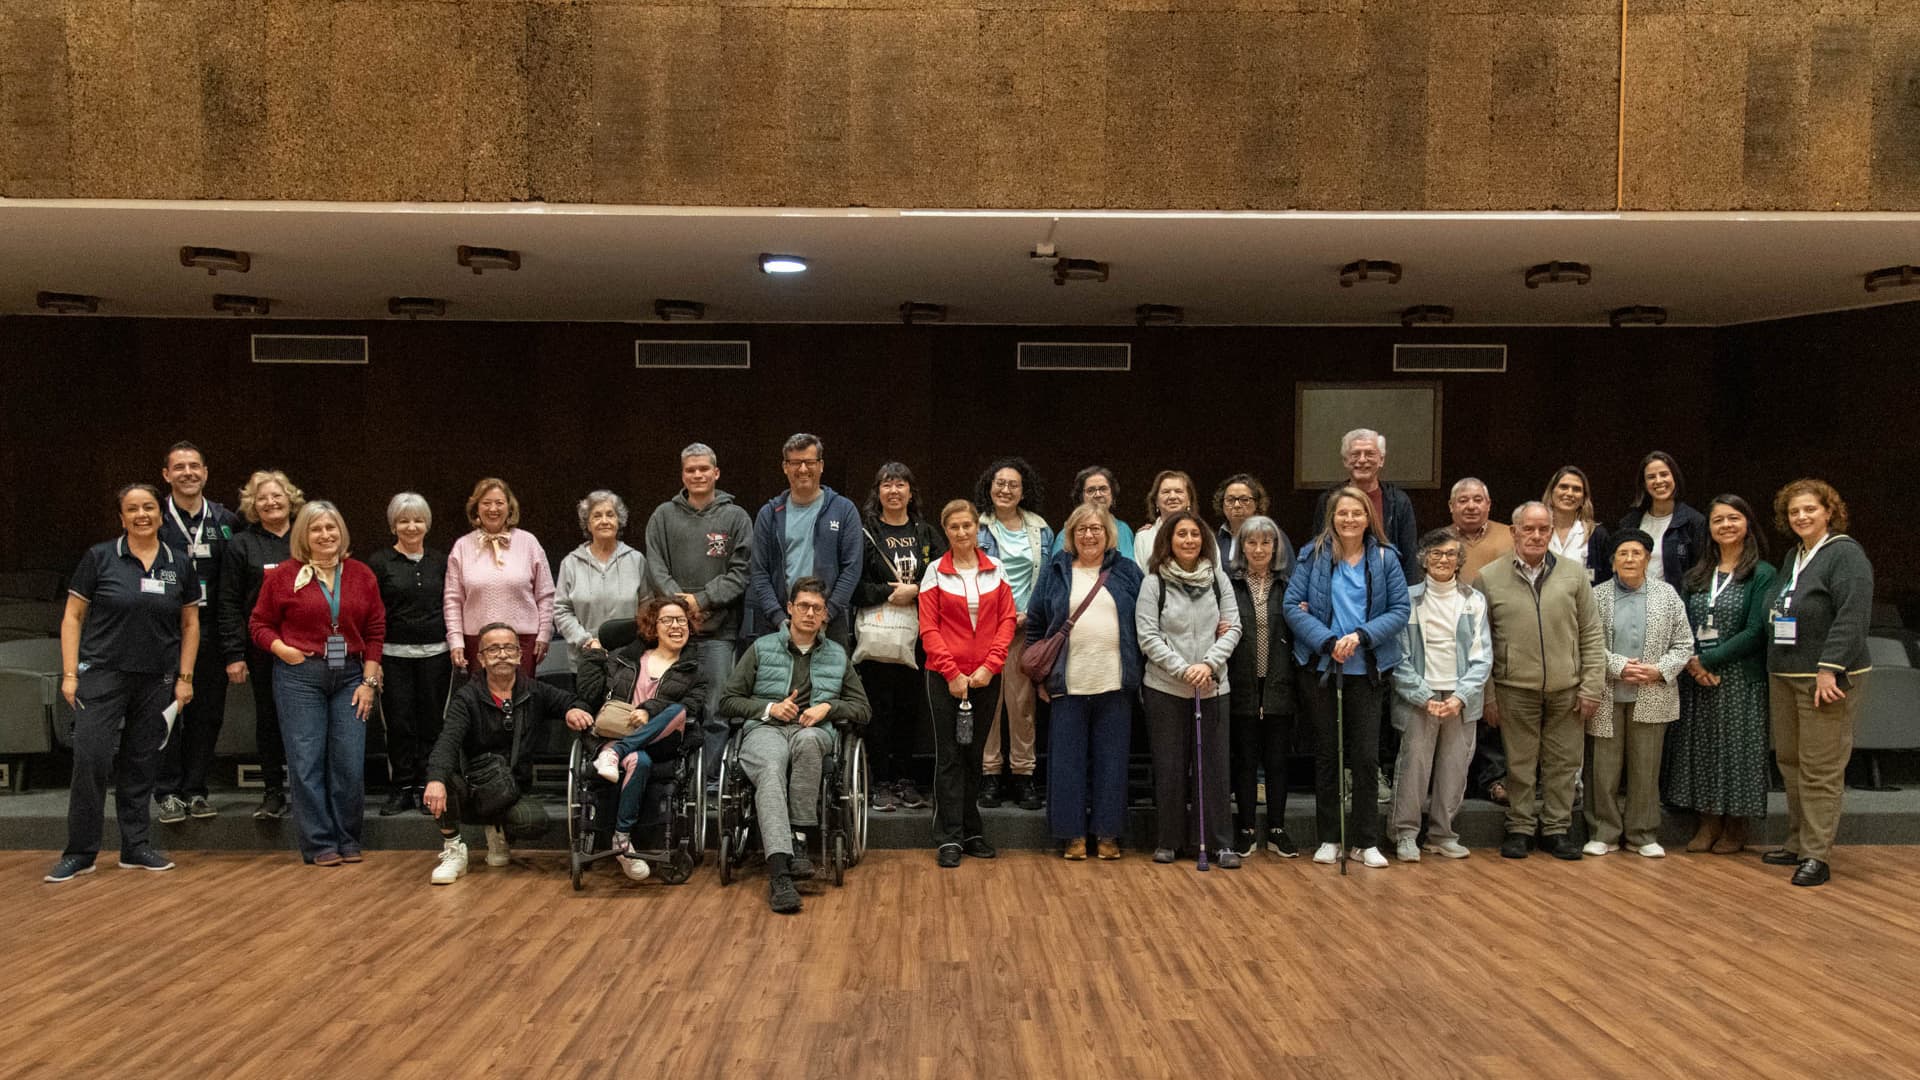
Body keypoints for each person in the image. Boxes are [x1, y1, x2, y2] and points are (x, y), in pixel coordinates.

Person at [45, 484, 199, 883]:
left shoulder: (179, 563)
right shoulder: (99, 557)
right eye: (132, 509)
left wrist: (184, 678)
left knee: (142, 763)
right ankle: (80, 853)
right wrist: (70, 673)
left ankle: (136, 847)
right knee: (91, 759)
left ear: (160, 514)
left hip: (158, 679)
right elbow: (72, 617)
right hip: (102, 675)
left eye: (149, 507)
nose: (141, 514)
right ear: (122, 518)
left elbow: (190, 624)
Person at [722, 577, 873, 913]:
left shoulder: (837, 655)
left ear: (825, 615)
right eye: (803, 606)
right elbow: (728, 701)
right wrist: (769, 708)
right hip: (766, 729)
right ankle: (779, 873)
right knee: (771, 766)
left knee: (807, 742)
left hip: (812, 730)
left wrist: (828, 707)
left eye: (817, 608)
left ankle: (799, 840)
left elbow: (863, 709)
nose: (809, 613)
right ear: (790, 609)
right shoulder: (761, 648)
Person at [248, 502, 385, 866]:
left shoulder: (361, 575)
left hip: (351, 676)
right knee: (306, 761)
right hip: (300, 676)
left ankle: (348, 838)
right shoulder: (283, 575)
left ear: (342, 532)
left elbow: (375, 631)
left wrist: (369, 681)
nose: (325, 535)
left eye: (331, 528)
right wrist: (283, 650)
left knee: (349, 762)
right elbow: (259, 625)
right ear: (303, 536)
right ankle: (319, 843)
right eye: (316, 529)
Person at [1284, 488, 1411, 870]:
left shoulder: (1386, 558)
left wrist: (1361, 636)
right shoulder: (1312, 555)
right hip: (1323, 667)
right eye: (1342, 513)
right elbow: (1292, 606)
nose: (1350, 519)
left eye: (1357, 513)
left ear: (1369, 517)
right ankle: (1329, 838)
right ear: (1332, 517)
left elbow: (1399, 609)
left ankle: (1365, 841)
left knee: (1366, 757)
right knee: (1328, 755)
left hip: (1367, 669)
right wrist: (1327, 641)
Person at [1478, 502, 1607, 860]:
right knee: (1519, 763)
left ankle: (1556, 829)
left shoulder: (1574, 574)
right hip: (1513, 688)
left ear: (1551, 532)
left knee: (1563, 763)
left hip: (1567, 687)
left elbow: (1591, 634)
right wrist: (1488, 695)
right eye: (1528, 529)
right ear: (1514, 532)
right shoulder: (1489, 577)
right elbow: (1481, 643)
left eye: (1543, 529)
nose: (1536, 536)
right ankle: (1520, 827)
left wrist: (1591, 686)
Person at [1763, 479, 1874, 888]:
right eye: (1794, 511)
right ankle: (1797, 842)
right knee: (1790, 762)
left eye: (1810, 509)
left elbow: (1853, 615)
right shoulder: (1795, 555)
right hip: (1786, 673)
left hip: (1825, 677)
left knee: (1820, 768)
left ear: (1829, 511)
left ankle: (1816, 855)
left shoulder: (1845, 554)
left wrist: (1830, 667)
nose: (1801, 516)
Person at [422, 623, 594, 885]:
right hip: (472, 786)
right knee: (441, 780)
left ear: (519, 655)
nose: (502, 654)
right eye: (493, 649)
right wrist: (435, 779)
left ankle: (497, 832)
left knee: (533, 822)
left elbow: (575, 702)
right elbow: (447, 742)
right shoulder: (466, 697)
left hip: (512, 787)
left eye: (508, 648)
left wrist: (573, 710)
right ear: (481, 658)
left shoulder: (535, 690)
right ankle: (454, 849)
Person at [1029, 504, 1143, 861]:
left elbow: (1146, 620)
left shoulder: (1128, 571)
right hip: (1067, 683)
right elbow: (1036, 623)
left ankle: (1108, 834)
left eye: (1096, 529)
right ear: (1071, 535)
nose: (1089, 535)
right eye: (1081, 529)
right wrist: (1040, 678)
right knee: (1067, 764)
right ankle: (1072, 835)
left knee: (1113, 763)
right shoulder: (1056, 570)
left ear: (1108, 534)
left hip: (1115, 684)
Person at [1667, 495, 1776, 854]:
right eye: (1718, 520)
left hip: (1739, 678)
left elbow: (1756, 630)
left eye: (1733, 518)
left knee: (1737, 752)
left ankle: (1735, 825)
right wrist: (1693, 662)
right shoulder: (1697, 575)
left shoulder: (1762, 574)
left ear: (1747, 524)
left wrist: (1709, 661)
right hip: (1698, 678)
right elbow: (1681, 623)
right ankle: (1708, 821)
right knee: (1700, 751)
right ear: (1709, 529)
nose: (1726, 525)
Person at [1139, 509, 1243, 868]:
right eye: (1181, 534)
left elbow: (1233, 627)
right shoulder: (1154, 582)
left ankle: (1219, 843)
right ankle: (1168, 840)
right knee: (1170, 767)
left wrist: (1208, 664)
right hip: (1166, 687)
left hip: (1212, 686)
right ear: (1168, 540)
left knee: (1213, 768)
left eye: (1195, 534)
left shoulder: (1218, 579)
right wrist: (1184, 670)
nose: (1189, 540)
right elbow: (1148, 636)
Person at [1581, 530, 1695, 859]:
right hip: (1606, 693)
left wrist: (1659, 669)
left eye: (1637, 553)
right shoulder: (1597, 595)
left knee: (1646, 768)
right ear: (1613, 561)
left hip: (1652, 692)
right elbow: (1585, 641)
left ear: (1647, 558)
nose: (1630, 559)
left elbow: (1684, 644)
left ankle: (1642, 834)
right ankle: (1603, 832)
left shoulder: (1667, 595)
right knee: (1603, 770)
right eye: (1623, 554)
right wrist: (1617, 665)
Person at [577, 596, 707, 882]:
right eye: (667, 620)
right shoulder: (625, 659)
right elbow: (590, 694)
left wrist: (649, 710)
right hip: (619, 732)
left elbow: (693, 707)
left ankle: (616, 753)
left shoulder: (693, 671)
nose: (676, 626)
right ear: (653, 627)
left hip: (661, 741)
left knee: (678, 710)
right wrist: (594, 656)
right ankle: (622, 841)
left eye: (681, 621)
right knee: (638, 761)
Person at [644, 442, 754, 777]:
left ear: (716, 472)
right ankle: (671, 776)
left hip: (719, 633)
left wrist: (702, 600)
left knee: (716, 711)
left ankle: (708, 781)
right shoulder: (663, 516)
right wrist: (681, 606)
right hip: (673, 634)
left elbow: (741, 573)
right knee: (668, 706)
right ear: (683, 475)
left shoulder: (736, 517)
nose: (697, 475)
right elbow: (655, 567)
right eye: (691, 470)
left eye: (704, 468)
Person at [919, 501, 1019, 870]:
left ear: (978, 528)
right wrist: (952, 673)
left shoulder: (997, 570)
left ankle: (972, 830)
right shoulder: (935, 572)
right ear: (945, 531)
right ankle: (949, 835)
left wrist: (990, 667)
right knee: (949, 757)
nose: (962, 533)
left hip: (985, 678)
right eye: (954, 527)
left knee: (974, 756)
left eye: (967, 526)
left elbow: (1007, 621)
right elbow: (929, 628)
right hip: (944, 678)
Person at [1388, 530, 1490, 862]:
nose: (1443, 560)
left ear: (1459, 561)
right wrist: (1422, 695)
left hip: (1460, 699)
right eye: (1436, 554)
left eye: (1450, 554)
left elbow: (1483, 657)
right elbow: (1398, 657)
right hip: (1420, 696)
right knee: (1413, 768)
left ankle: (1442, 834)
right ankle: (1405, 834)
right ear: (1424, 559)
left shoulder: (1474, 600)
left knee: (1454, 768)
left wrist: (1460, 696)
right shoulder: (1406, 599)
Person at [152, 442, 239, 825]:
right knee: (166, 712)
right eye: (179, 467)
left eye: (194, 466)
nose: (187, 473)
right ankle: (167, 792)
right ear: (166, 475)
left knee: (207, 715)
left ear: (205, 472)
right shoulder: (154, 517)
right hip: (164, 632)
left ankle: (196, 789)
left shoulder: (226, 520)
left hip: (212, 632)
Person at [851, 462, 941, 813]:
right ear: (878, 492)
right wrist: (890, 592)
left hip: (917, 636)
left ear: (911, 492)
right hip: (877, 635)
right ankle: (880, 781)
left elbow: (943, 578)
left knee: (909, 710)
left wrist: (916, 591)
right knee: (879, 710)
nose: (893, 490)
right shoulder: (864, 532)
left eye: (900, 484)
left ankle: (905, 779)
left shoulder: (925, 533)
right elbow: (854, 586)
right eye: (887, 484)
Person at [216, 469, 304, 821]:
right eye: (262, 498)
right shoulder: (241, 544)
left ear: (290, 499)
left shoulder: (306, 537)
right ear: (253, 505)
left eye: (277, 495)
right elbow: (228, 602)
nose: (270, 502)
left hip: (307, 647)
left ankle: (308, 792)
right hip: (263, 648)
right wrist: (234, 654)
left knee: (307, 721)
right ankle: (273, 792)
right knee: (269, 718)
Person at [974, 457, 1053, 811]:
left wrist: (1030, 613)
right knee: (989, 703)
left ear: (1023, 491)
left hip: (1026, 627)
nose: (1005, 489)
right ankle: (990, 774)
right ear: (989, 487)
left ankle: (1023, 775)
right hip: (986, 628)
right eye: (1000, 483)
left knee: (1022, 705)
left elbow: (1047, 579)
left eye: (1013, 485)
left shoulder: (1040, 529)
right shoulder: (976, 526)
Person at [365, 492, 452, 817]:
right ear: (393, 526)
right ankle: (401, 788)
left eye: (417, 520)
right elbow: (372, 614)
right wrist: (374, 660)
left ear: (427, 524)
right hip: (393, 656)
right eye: (403, 521)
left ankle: (429, 786)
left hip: (436, 654)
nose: (411, 526)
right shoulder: (379, 563)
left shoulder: (441, 561)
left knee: (432, 723)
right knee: (399, 723)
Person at [1226, 514, 1300, 859]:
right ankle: (1245, 829)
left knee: (1277, 761)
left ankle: (1277, 828)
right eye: (1251, 542)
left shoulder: (1289, 585)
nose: (1258, 549)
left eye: (1265, 542)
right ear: (1241, 547)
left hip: (1279, 681)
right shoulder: (1229, 585)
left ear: (1276, 547)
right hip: (1241, 681)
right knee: (1243, 760)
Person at [747, 433, 862, 648]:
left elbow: (852, 568)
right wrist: (779, 618)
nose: (802, 469)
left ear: (821, 465)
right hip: (778, 625)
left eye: (809, 462)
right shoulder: (769, 514)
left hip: (829, 624)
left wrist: (826, 614)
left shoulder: (844, 510)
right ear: (785, 467)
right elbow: (759, 572)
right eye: (795, 463)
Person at [444, 477, 554, 676]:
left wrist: (544, 634)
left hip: (522, 640)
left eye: (499, 503)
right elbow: (453, 599)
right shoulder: (461, 546)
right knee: (481, 695)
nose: (493, 509)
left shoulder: (529, 543)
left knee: (522, 693)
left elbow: (545, 594)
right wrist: (456, 641)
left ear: (509, 508)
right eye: (486, 503)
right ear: (476, 508)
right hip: (478, 642)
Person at [554, 490, 650, 671]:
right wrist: (587, 642)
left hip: (628, 660)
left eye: (610, 515)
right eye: (597, 516)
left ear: (619, 521)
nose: (604, 521)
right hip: (586, 659)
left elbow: (647, 605)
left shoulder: (636, 560)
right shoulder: (570, 563)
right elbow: (561, 611)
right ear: (587, 524)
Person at [1310, 428, 1420, 582]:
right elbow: (1318, 550)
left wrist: (1411, 592)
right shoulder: (1328, 500)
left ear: (1381, 460)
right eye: (1355, 454)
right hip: (1338, 586)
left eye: (1369, 454)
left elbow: (1409, 555)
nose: (1362, 460)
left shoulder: (1399, 501)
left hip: (1388, 586)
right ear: (1345, 461)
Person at [1618, 452, 1707, 587]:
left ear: (1674, 477)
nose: (1658, 481)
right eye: (1651, 477)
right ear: (1644, 484)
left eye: (1664, 474)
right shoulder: (1630, 523)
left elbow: (1700, 572)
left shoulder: (1694, 522)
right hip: (1632, 597)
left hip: (1675, 599)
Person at [1543, 465, 1612, 584]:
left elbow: (1608, 581)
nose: (1570, 493)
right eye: (1563, 487)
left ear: (1583, 498)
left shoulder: (1597, 535)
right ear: (1551, 492)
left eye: (1576, 489)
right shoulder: (1535, 531)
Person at [1214, 473, 1296, 571]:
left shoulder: (1274, 535)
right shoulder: (1217, 538)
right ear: (1222, 504)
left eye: (1244, 500)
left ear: (1257, 503)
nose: (1236, 505)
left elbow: (1289, 574)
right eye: (1230, 500)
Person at [1049, 466, 1136, 557]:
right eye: (1090, 490)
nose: (1098, 495)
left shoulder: (1125, 530)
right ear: (1081, 497)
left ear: (1112, 494)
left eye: (1103, 489)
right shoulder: (1068, 534)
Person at [1447, 478, 1512, 586]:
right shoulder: (1438, 540)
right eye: (1463, 501)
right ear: (1451, 506)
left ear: (1488, 504)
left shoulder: (1512, 536)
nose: (1471, 506)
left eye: (1478, 500)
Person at [1132, 470, 1196, 569]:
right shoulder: (1143, 538)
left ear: (1189, 500)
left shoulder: (1203, 534)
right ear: (1156, 501)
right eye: (1166, 492)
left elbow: (1217, 573)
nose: (1172, 496)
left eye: (1178, 491)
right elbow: (1138, 576)